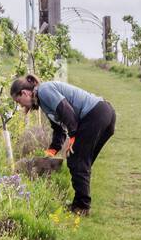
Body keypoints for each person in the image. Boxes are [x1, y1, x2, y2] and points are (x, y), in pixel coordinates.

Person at [10, 75, 116, 215]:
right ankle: (80, 204)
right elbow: (59, 129)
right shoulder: (43, 100)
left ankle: (82, 207)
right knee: (81, 161)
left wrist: (73, 136)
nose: (21, 105)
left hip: (96, 114)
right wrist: (52, 150)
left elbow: (66, 110)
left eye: (19, 101)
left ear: (24, 92)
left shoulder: (44, 90)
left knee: (77, 160)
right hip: (103, 114)